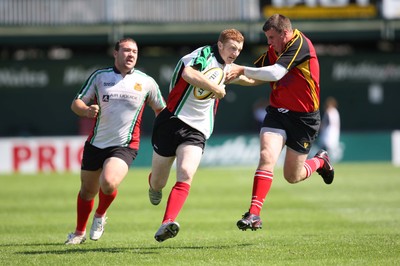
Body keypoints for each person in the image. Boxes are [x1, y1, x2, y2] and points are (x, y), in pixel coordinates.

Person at [225, 14, 335, 231]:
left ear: (285, 33)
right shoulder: (275, 49)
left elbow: (275, 73)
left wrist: (241, 69)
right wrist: (227, 77)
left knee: (292, 176)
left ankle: (320, 161)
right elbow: (257, 77)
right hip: (277, 113)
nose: (269, 43)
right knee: (266, 156)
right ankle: (254, 214)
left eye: (272, 37)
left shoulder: (300, 44)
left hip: (304, 119)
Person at [65, 38, 166, 245]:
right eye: (127, 50)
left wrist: (165, 131)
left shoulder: (146, 82)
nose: (131, 55)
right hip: (96, 143)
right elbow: (76, 103)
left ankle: (100, 215)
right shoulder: (100, 77)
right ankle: (78, 232)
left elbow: (161, 110)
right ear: (115, 53)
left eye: (135, 52)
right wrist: (85, 110)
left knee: (109, 182)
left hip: (125, 145)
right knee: (87, 191)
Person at [148, 29, 245, 242]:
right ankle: (154, 186)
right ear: (220, 45)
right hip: (171, 121)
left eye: (239, 50)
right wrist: (216, 89)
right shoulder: (203, 55)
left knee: (185, 173)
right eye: (232, 48)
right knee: (158, 182)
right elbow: (188, 74)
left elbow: (247, 78)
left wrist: (265, 74)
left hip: (198, 129)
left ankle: (167, 222)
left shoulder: (229, 66)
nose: (235, 53)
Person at [318, 96, 341, 162]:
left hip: (328, 134)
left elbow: (327, 123)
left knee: (324, 151)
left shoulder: (329, 111)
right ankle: (326, 162)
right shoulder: (335, 111)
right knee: (328, 152)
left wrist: (319, 127)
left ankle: (325, 163)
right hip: (333, 134)